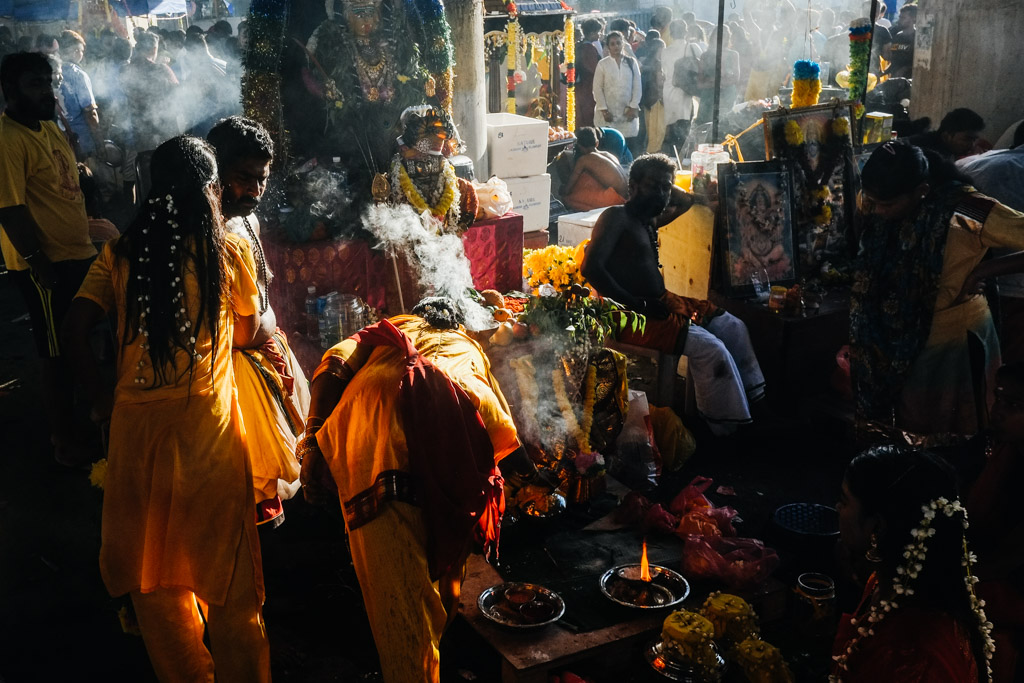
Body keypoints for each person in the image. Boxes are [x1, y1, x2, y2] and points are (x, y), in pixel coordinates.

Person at [61, 135, 271, 682]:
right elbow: (249, 332)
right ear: (209, 189)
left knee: (154, 578)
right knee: (229, 584)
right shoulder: (228, 250)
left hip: (135, 437)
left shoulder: (120, 254)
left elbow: (76, 327)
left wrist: (101, 398)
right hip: (208, 435)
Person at [297, 297, 525, 683]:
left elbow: (332, 365)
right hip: (442, 456)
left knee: (402, 615)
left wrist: (314, 441)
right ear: (460, 325)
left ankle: (419, 663)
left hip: (373, 454)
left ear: (418, 314)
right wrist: (530, 474)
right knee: (441, 588)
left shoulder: (393, 327)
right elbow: (501, 430)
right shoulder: (467, 346)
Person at [581, 154, 766, 435]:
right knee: (712, 349)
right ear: (632, 186)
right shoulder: (616, 217)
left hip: (660, 304)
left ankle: (756, 403)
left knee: (733, 327)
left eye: (665, 187)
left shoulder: (649, 220)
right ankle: (724, 429)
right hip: (627, 315)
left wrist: (671, 189)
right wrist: (637, 305)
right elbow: (590, 269)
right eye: (652, 186)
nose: (661, 194)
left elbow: (684, 200)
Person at [851, 141, 1024, 442]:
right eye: (872, 201)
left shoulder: (968, 210)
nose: (876, 211)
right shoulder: (875, 196)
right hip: (887, 336)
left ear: (921, 190)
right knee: (895, 433)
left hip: (952, 340)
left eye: (887, 205)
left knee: (949, 433)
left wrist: (984, 270)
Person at [208, 115, 310, 528]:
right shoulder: (211, 230)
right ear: (216, 173)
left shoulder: (249, 218)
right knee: (249, 477)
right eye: (243, 178)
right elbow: (245, 330)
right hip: (233, 368)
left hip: (266, 348)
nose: (254, 190)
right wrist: (267, 321)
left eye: (262, 179)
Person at [0, 51, 98, 466]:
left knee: (78, 343)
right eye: (35, 84)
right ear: (11, 91)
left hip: (76, 252)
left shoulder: (48, 126)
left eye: (48, 81)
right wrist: (37, 257)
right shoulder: (8, 138)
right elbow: (9, 208)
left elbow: (66, 178)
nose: (46, 90)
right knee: (55, 352)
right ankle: (63, 440)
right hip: (45, 264)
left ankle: (85, 421)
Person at [832, 445, 992, 681]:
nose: (837, 508)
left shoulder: (914, 659)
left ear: (876, 528)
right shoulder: (889, 583)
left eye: (844, 501)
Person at [961, 362, 1024, 682]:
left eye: (1013, 405)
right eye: (999, 398)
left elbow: (1007, 561)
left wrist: (954, 576)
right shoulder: (1004, 446)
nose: (997, 411)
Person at [957, 121, 1024, 363]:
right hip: (1009, 293)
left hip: (963, 287)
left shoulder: (970, 163)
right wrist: (986, 270)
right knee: (1006, 374)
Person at [122, 31, 180, 152]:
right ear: (154, 49)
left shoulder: (125, 70)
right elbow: (178, 95)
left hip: (139, 131)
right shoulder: (161, 69)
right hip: (163, 131)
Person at [57, 31, 102, 161]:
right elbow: (90, 113)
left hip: (58, 140)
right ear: (75, 51)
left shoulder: (50, 71)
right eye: (81, 50)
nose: (82, 54)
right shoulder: (77, 75)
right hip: (81, 142)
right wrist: (99, 143)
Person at [561, 126, 629, 211]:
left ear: (579, 146)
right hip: (627, 196)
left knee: (567, 198)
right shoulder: (608, 154)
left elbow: (569, 187)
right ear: (597, 143)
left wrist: (563, 191)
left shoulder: (584, 160)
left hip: (616, 200)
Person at [593, 31, 642, 143]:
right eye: (613, 44)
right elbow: (597, 89)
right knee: (609, 145)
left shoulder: (631, 62)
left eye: (618, 43)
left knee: (628, 146)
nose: (616, 46)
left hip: (627, 114)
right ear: (608, 46)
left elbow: (637, 86)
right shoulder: (602, 64)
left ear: (623, 45)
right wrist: (604, 110)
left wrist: (633, 107)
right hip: (608, 115)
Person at [662, 21, 702, 154]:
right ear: (685, 32)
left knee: (671, 127)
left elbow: (664, 72)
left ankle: (672, 156)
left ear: (671, 33)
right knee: (684, 127)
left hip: (668, 91)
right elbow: (703, 64)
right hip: (684, 91)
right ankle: (682, 157)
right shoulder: (692, 47)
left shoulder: (665, 51)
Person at [910, 108, 986, 161]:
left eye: (974, 140)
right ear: (947, 135)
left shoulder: (948, 151)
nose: (972, 145)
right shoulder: (926, 153)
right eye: (967, 139)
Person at [574, 18, 604, 129]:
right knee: (589, 116)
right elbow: (594, 69)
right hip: (588, 87)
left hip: (583, 86)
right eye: (598, 32)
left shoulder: (581, 46)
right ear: (592, 33)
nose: (600, 35)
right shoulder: (588, 48)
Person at [640, 35, 667, 154]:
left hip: (647, 101)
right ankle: (654, 153)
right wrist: (663, 97)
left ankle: (649, 152)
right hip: (656, 100)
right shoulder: (658, 64)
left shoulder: (645, 62)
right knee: (658, 131)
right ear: (659, 49)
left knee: (650, 130)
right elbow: (659, 82)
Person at [884, 3, 916, 79]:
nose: (900, 20)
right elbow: (894, 60)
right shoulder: (898, 36)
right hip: (894, 79)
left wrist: (905, 69)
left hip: (908, 81)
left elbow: (918, 62)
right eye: (900, 17)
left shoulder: (917, 38)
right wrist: (883, 72)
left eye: (903, 18)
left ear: (914, 19)